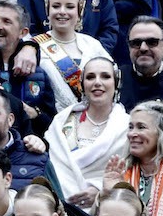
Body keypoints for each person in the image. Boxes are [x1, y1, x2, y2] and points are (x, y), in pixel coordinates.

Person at [50, 55, 126, 208]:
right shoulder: (61, 121)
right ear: (82, 84)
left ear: (115, 83)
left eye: (105, 76)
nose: (97, 82)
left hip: (109, 211)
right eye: (90, 77)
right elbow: (50, 166)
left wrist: (102, 191)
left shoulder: (128, 126)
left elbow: (135, 173)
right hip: (57, 207)